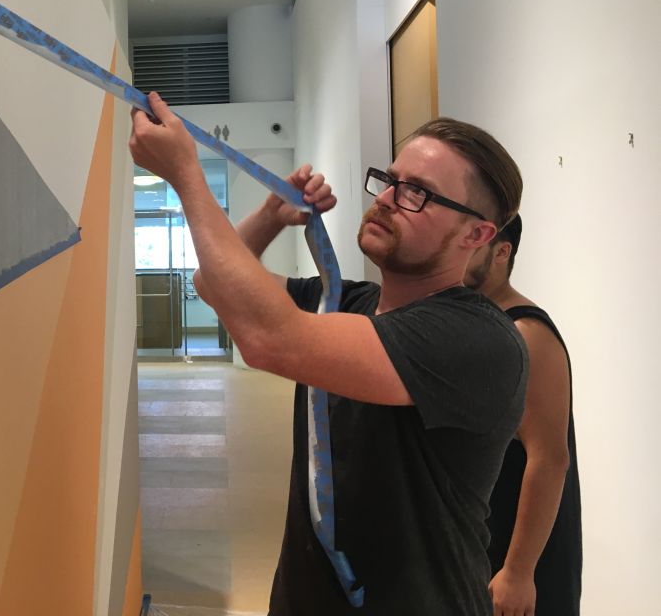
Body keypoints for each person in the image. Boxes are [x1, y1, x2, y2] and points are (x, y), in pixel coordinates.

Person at [129, 94, 527, 615]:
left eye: (418, 194)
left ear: (477, 235)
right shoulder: (347, 301)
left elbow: (268, 337)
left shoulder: (476, 340)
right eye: (390, 180)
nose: (386, 199)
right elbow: (214, 286)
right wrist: (272, 214)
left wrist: (186, 175)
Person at [464, 215, 582, 615]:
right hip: (478, 545)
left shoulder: (527, 332)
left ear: (501, 252)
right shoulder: (474, 320)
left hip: (514, 558)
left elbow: (550, 459)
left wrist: (518, 571)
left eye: (471, 243)